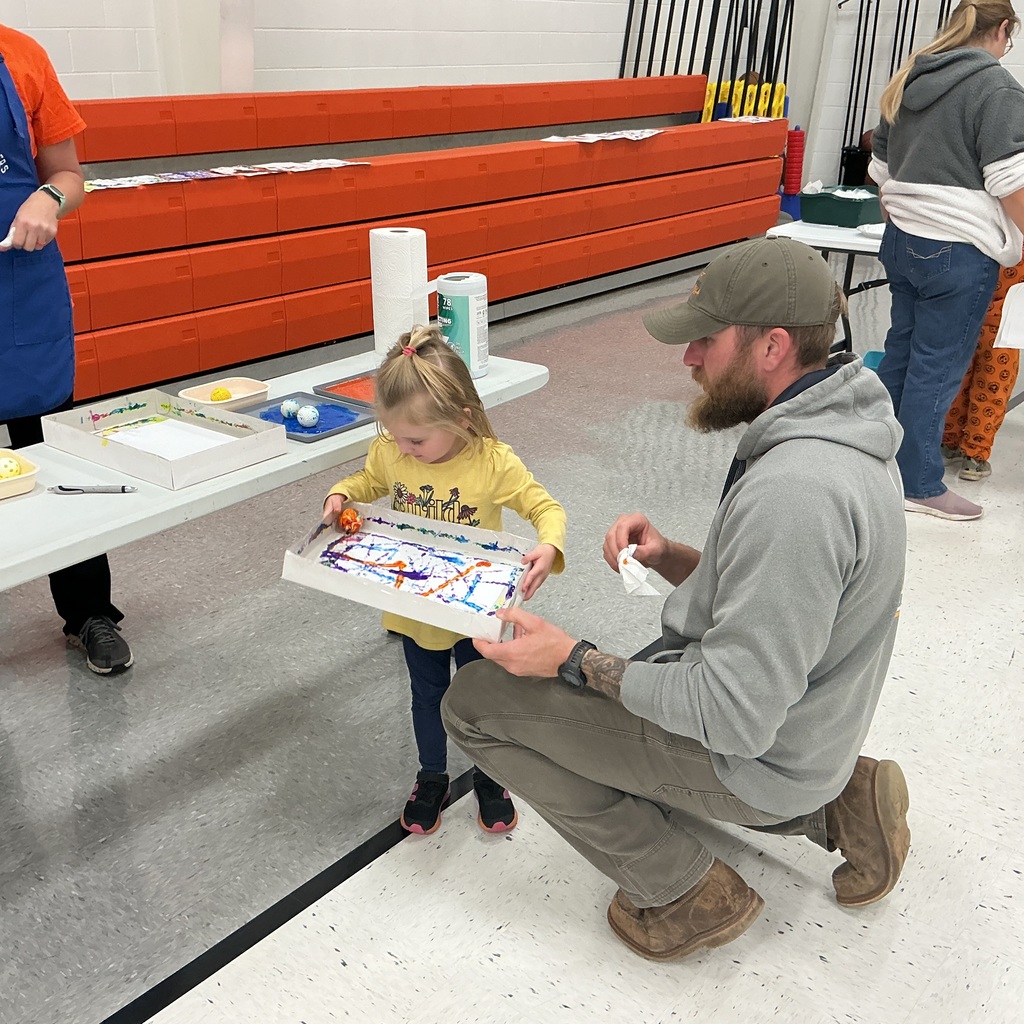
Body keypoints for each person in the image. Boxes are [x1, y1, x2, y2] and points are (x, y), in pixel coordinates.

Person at [441, 236, 912, 961]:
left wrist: (573, 660)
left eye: (705, 340)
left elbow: (731, 714)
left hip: (762, 758)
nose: (689, 358)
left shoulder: (796, 492)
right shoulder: (842, 429)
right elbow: (780, 601)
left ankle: (683, 891)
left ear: (773, 346)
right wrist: (673, 557)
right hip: (813, 730)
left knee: (474, 703)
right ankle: (844, 799)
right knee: (633, 686)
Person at [324, 325, 566, 835]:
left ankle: (490, 776)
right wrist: (342, 495)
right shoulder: (393, 453)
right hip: (416, 609)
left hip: (479, 613)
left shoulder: (493, 462)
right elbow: (368, 482)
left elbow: (544, 507)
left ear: (462, 418)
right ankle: (431, 776)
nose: (404, 449)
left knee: (486, 698)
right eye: (395, 437)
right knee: (426, 697)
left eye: (416, 439)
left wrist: (549, 545)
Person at [0, 23, 133, 674]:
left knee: (53, 459)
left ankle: (88, 614)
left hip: (22, 290)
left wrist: (49, 198)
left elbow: (69, 175)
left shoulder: (21, 56)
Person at [869, 0, 1024, 521]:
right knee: (937, 369)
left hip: (902, 239)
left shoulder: (911, 76)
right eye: (1011, 38)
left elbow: (879, 168)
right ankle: (919, 483)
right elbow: (1008, 183)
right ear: (1002, 30)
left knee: (902, 355)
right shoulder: (997, 89)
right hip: (958, 250)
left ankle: (873, 466)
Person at [941, 247, 1023, 480]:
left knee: (957, 380)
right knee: (993, 386)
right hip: (1005, 322)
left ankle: (948, 442)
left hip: (967, 313)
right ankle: (975, 457)